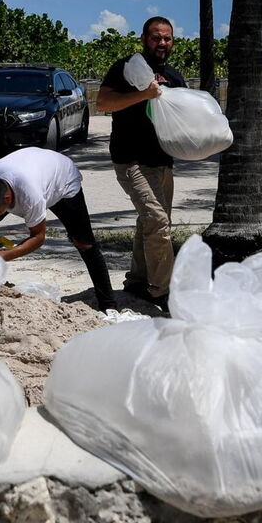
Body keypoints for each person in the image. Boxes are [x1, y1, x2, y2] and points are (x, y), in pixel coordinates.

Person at [95, 16, 186, 312]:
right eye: (156, 37)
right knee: (158, 223)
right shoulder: (126, 67)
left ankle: (137, 281)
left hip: (163, 162)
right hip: (131, 159)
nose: (162, 43)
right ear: (144, 39)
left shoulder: (174, 76)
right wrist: (143, 95)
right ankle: (162, 292)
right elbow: (103, 103)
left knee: (149, 222)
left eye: (167, 38)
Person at [0, 146, 116, 311]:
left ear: (7, 199)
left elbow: (38, 237)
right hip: (35, 168)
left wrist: (3, 255)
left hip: (63, 181)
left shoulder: (30, 195)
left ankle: (108, 305)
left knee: (84, 243)